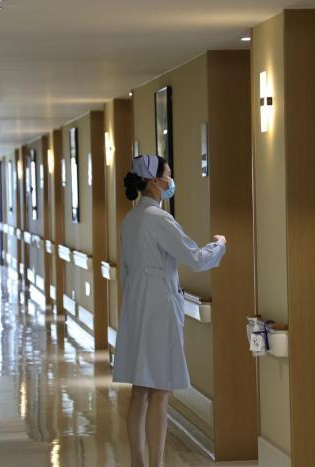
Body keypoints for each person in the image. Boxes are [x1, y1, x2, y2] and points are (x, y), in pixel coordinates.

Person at [113, 155, 227, 467]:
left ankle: (137, 461)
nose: (171, 181)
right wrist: (219, 245)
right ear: (154, 181)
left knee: (140, 390)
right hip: (159, 307)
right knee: (160, 390)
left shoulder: (131, 220)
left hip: (136, 305)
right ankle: (156, 463)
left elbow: (125, 271)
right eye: (168, 175)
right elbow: (195, 258)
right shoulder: (159, 219)